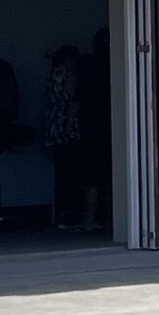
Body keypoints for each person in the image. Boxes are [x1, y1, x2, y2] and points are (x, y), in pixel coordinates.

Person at [43, 44, 85, 226]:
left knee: (60, 172)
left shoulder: (53, 74)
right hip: (67, 126)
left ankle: (60, 213)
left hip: (53, 125)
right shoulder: (69, 75)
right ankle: (72, 213)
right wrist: (70, 126)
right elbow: (73, 99)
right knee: (73, 172)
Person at [78, 28, 113, 233]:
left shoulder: (87, 64)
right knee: (111, 175)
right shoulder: (116, 62)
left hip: (90, 123)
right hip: (112, 122)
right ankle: (113, 220)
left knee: (91, 176)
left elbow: (77, 94)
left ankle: (89, 219)